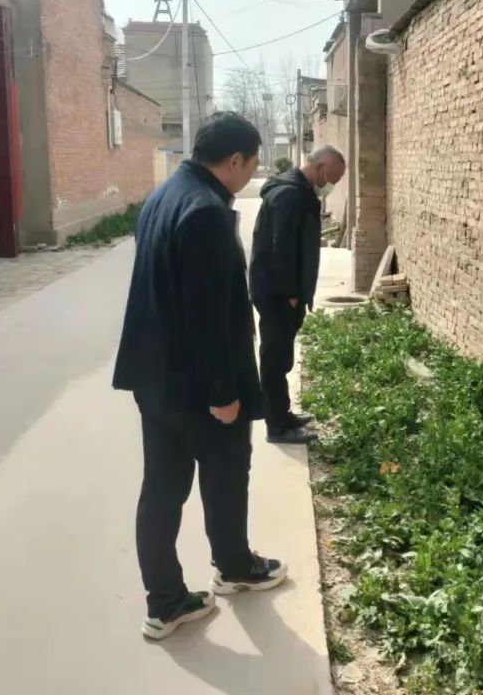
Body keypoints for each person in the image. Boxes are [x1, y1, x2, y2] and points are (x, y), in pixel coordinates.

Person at [112, 112, 288, 642]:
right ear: (234, 160)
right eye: (251, 165)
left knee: (162, 489)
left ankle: (165, 603)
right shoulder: (206, 212)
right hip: (197, 386)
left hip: (155, 379)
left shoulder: (163, 196)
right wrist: (223, 393)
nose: (250, 175)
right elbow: (208, 317)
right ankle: (234, 567)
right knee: (227, 473)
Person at [249, 145, 346, 444]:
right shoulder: (290, 195)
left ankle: (283, 413)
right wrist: (291, 292)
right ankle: (277, 427)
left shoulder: (297, 190)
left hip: (281, 293)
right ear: (320, 167)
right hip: (278, 295)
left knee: (282, 358)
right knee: (275, 359)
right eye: (332, 178)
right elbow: (282, 248)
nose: (331, 186)